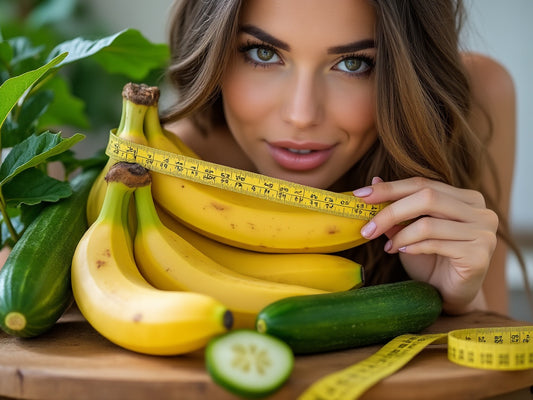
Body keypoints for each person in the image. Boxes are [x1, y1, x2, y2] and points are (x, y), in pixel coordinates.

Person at [160, 0, 527, 317]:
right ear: (215, 48)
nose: (302, 115)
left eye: (353, 64)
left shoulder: (475, 104)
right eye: (263, 53)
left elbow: (496, 384)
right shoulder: (171, 166)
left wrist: (461, 303)